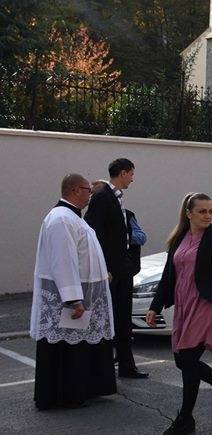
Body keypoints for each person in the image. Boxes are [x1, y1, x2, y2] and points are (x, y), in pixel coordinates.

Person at [146, 193, 212, 435]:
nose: (208, 216)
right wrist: (155, 306)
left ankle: (185, 418)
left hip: (204, 304)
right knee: (183, 361)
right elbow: (168, 276)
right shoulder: (179, 238)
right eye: (202, 211)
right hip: (183, 305)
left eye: (211, 211)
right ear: (189, 213)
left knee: (188, 359)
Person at [31, 174, 117, 410]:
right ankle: (67, 395)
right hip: (69, 298)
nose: (90, 195)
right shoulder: (61, 218)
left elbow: (84, 254)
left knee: (79, 348)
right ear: (75, 190)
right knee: (68, 349)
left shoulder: (72, 217)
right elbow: (63, 261)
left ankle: (83, 390)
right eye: (88, 190)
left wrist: (102, 272)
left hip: (83, 293)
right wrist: (74, 299)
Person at [84, 157, 147, 379]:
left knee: (123, 318)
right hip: (111, 271)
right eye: (131, 174)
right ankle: (104, 370)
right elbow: (94, 233)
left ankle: (126, 365)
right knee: (108, 319)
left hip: (122, 269)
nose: (132, 179)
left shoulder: (116, 197)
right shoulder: (102, 197)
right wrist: (104, 268)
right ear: (123, 173)